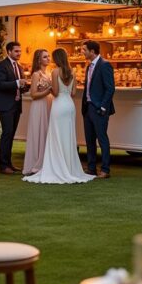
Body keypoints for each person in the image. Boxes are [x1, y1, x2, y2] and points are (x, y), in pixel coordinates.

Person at [23, 48, 95, 184]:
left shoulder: (55, 71)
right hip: (69, 105)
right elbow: (73, 93)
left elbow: (55, 92)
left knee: (56, 136)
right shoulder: (73, 71)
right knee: (68, 136)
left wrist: (50, 87)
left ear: (56, 59)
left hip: (59, 105)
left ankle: (57, 165)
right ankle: (69, 166)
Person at [0, 41, 27, 174]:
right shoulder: (1, 66)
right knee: (7, 134)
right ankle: (3, 166)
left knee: (11, 134)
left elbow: (20, 87)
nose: (19, 53)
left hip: (16, 105)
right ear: (9, 52)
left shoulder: (19, 67)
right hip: (5, 105)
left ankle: (9, 164)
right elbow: (1, 85)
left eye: (20, 51)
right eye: (16, 51)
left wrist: (27, 86)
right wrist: (18, 82)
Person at [81, 40, 115, 178]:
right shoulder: (88, 67)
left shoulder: (105, 65)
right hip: (87, 108)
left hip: (99, 109)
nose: (82, 52)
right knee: (89, 140)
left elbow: (110, 88)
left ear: (92, 51)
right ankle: (91, 168)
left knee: (102, 139)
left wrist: (102, 106)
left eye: (84, 50)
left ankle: (105, 170)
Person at [22, 49, 52, 176]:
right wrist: (48, 91)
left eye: (48, 56)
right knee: (38, 132)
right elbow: (33, 94)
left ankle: (45, 162)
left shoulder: (49, 73)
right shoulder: (36, 74)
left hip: (48, 104)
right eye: (45, 57)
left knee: (45, 132)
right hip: (39, 105)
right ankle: (35, 163)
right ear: (39, 60)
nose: (48, 58)